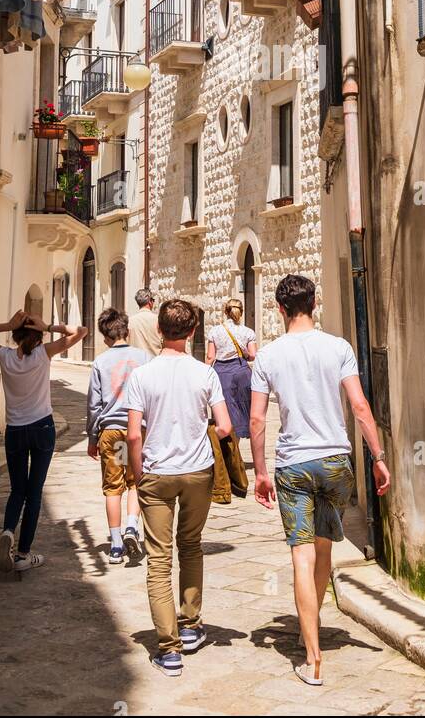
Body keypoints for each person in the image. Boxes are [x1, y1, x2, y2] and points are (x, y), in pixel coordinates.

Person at [250, 274, 390, 688]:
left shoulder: (269, 356)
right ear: (315, 303)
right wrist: (378, 458)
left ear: (279, 309)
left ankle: (311, 658)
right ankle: (312, 622)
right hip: (334, 461)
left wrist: (259, 471)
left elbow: (257, 419)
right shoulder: (339, 347)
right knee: (325, 545)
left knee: (301, 555)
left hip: (293, 465)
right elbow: (360, 406)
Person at [126, 299, 232, 677]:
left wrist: (138, 474)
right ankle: (191, 626)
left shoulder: (142, 375)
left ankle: (169, 650)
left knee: (158, 559)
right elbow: (224, 427)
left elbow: (134, 433)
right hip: (197, 471)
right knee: (191, 546)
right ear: (191, 333)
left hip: (155, 472)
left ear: (159, 331)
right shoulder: (205, 375)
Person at [0, 309, 88, 572]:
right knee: (34, 492)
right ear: (38, 336)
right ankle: (24, 553)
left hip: (15, 430)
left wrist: (7, 322)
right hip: (42, 427)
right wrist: (49, 326)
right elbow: (81, 332)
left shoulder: (4, 356)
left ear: (15, 336)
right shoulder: (43, 353)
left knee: (17, 489)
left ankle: (7, 533)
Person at [87, 308, 149, 565]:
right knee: (135, 481)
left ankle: (114, 544)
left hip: (111, 430)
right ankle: (132, 527)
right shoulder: (144, 357)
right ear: (128, 331)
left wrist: (92, 437)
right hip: (136, 429)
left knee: (113, 487)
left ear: (104, 337)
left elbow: (94, 404)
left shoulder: (100, 362)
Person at [205, 297, 256, 440]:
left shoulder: (215, 331)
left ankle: (229, 449)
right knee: (241, 409)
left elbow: (210, 357)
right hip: (242, 371)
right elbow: (252, 355)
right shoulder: (248, 332)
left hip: (222, 372)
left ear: (225, 312)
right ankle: (239, 442)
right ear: (241, 312)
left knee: (224, 408)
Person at [128, 286, 161, 357]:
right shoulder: (158, 320)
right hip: (154, 362)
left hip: (136, 363)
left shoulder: (130, 321)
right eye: (153, 300)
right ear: (150, 302)